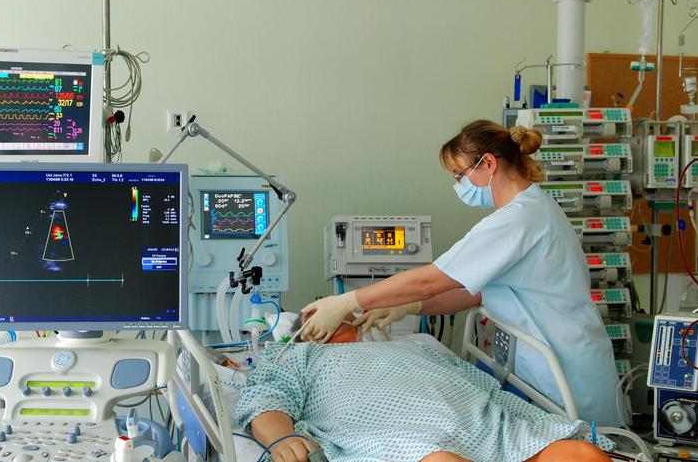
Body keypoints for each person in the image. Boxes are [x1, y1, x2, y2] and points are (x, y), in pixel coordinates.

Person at [300, 120, 622, 426]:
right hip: (546, 369)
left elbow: (428, 281)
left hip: (566, 375)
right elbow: (478, 291)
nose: (458, 185)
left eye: (460, 175)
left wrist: (344, 302)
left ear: (488, 164)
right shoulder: (530, 210)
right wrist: (411, 307)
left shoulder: (520, 219)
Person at [236, 313, 614, 462]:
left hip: (481, 426)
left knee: (582, 455)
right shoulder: (300, 358)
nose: (346, 317)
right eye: (318, 315)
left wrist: (517, 416)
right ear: (307, 329)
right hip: (397, 435)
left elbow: (477, 383)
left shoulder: (413, 345)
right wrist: (281, 439)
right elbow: (266, 399)